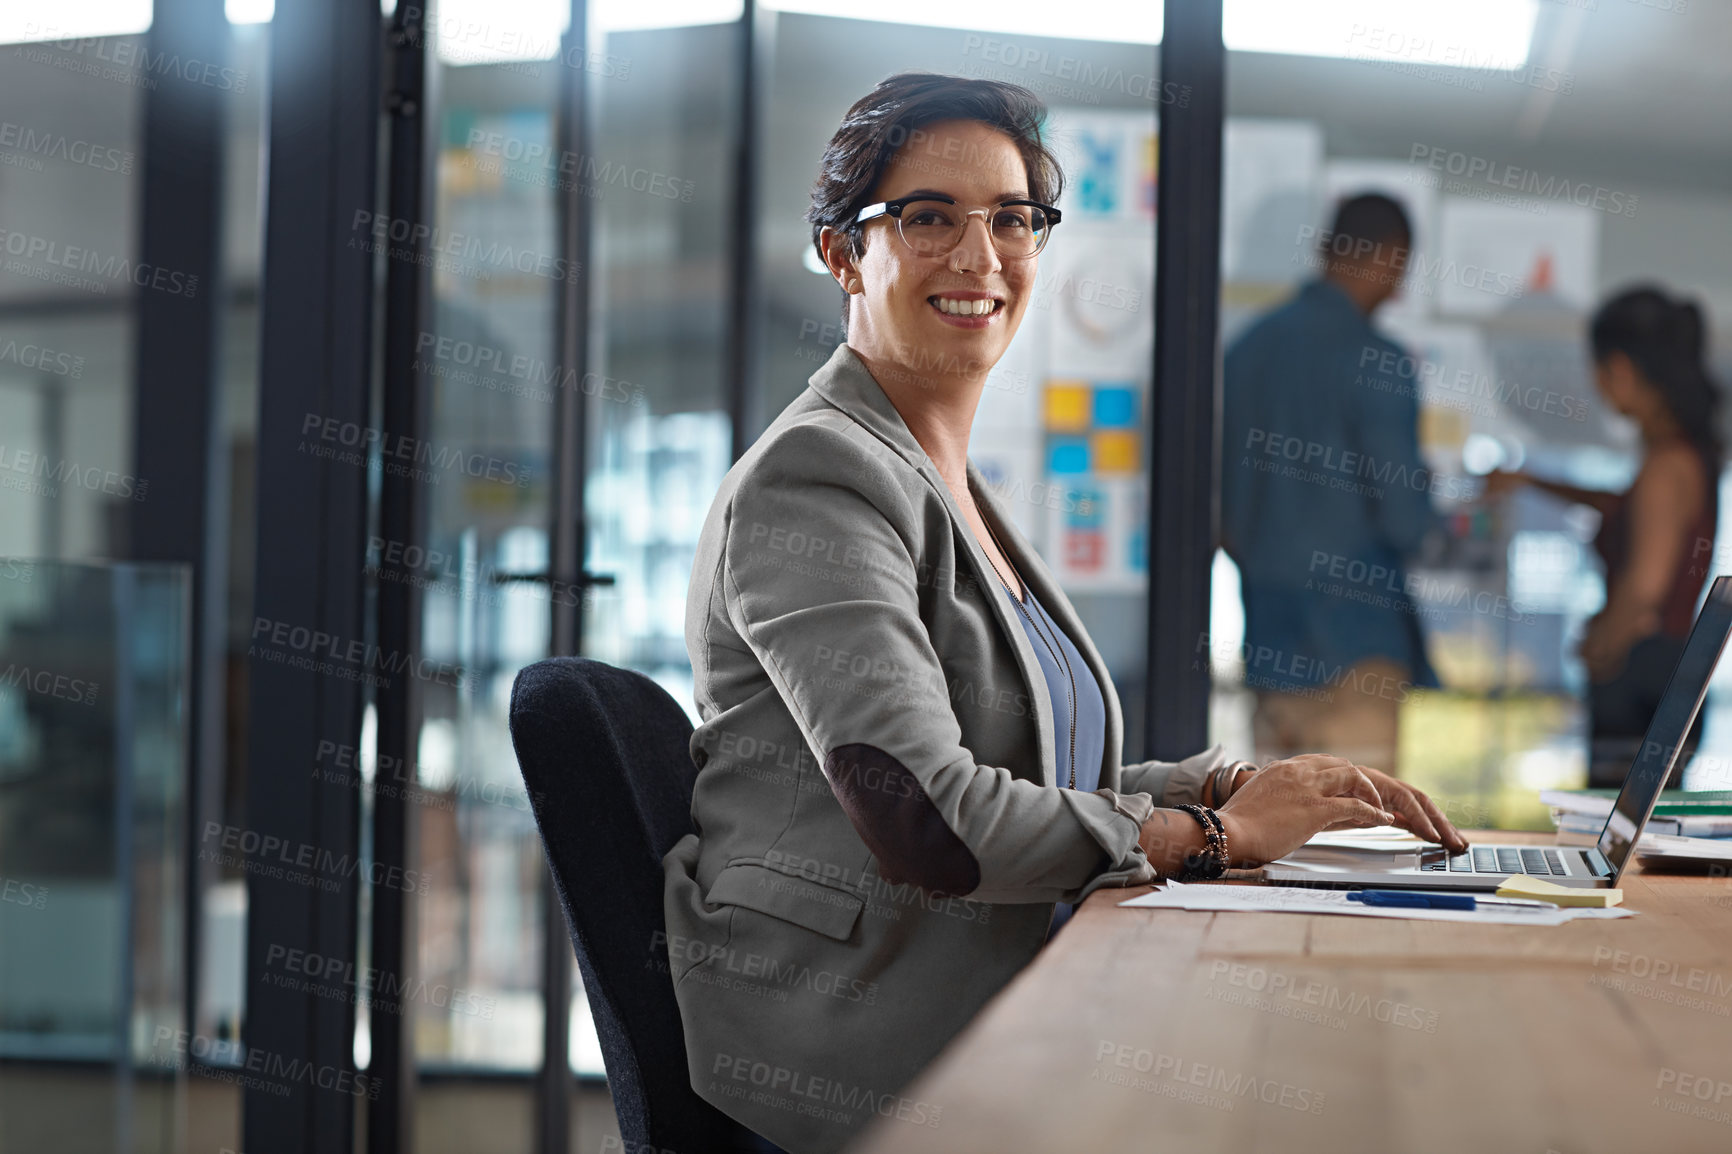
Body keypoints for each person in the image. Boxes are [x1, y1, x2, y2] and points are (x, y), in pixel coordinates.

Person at [662, 73, 1466, 1154]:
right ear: (844, 253)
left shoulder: (942, 479)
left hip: (989, 987)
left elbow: (1023, 770)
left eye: (1011, 218)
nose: (979, 254)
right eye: (928, 216)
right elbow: (931, 817)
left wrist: (1224, 785)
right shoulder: (819, 477)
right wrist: (1213, 838)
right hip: (856, 1041)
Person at [1220, 193, 1443, 777]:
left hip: (1269, 640)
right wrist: (1424, 491)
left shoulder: (1245, 353)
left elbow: (1224, 513)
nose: (1397, 290)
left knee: (1271, 848)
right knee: (1356, 843)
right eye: (1400, 271)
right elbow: (1405, 521)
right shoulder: (1381, 361)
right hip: (1355, 648)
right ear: (1390, 259)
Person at [1487, 286, 1721, 788]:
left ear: (1620, 370)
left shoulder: (1666, 466)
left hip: (1641, 680)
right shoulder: (1684, 458)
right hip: (1663, 679)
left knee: (1618, 842)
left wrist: (1600, 648)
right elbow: (1620, 506)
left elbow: (1644, 588)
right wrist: (1531, 481)